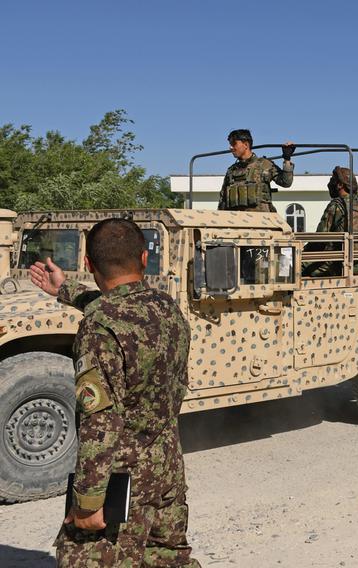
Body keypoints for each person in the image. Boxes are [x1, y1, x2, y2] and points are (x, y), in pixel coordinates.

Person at [28, 219, 199, 567]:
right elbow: (122, 306)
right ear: (144, 256)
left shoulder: (99, 326)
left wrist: (89, 502)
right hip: (165, 466)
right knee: (165, 557)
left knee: (90, 558)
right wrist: (66, 289)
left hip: (121, 476)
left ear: (89, 264)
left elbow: (101, 420)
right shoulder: (165, 307)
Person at [303, 166, 358, 276]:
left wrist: (303, 253)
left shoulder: (336, 206)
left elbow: (319, 240)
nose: (330, 183)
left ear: (340, 185)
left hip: (334, 265)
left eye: (333, 180)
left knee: (294, 266)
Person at [219, 129, 295, 212]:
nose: (230, 147)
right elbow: (222, 202)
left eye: (234, 144)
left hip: (261, 221)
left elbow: (286, 182)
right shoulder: (231, 171)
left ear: (246, 145)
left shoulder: (264, 165)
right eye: (230, 144)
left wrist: (287, 159)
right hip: (237, 222)